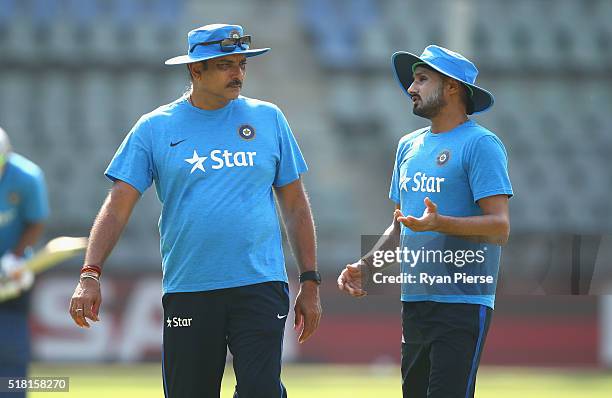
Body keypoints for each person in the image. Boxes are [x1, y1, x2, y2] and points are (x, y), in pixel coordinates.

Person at [69, 23, 322, 398]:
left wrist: (311, 281)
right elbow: (117, 207)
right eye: (225, 65)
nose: (237, 73)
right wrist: (90, 273)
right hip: (190, 287)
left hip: (260, 283)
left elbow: (296, 206)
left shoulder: (269, 119)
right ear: (195, 70)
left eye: (241, 64)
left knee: (261, 391)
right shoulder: (154, 128)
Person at [338, 45, 513, 398]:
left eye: (421, 79)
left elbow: (500, 227)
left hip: (463, 303)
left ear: (451, 87)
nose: (411, 89)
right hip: (415, 301)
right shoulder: (408, 146)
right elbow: (403, 223)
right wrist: (368, 265)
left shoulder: (482, 145)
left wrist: (440, 223)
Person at [0, 127, 50, 397]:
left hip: (12, 276)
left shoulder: (27, 177)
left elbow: (36, 220)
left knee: (10, 349)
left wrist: (14, 258)